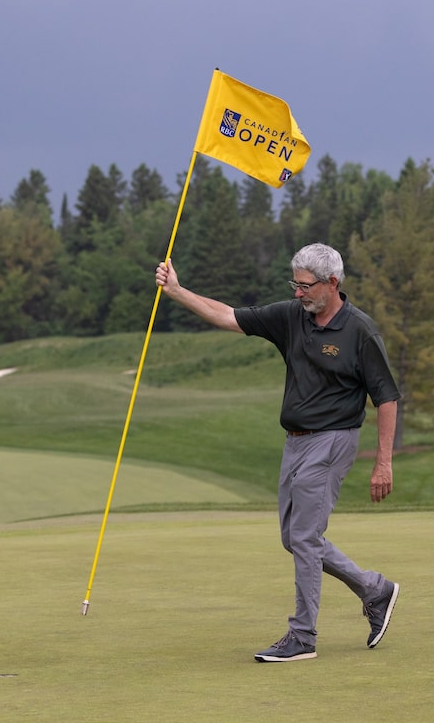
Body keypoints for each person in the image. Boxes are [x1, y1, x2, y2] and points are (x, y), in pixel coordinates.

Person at [154, 242, 401, 663]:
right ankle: (375, 590)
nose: (298, 293)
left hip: (334, 440)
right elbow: (229, 315)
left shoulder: (360, 331)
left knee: (304, 537)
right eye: (295, 284)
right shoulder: (292, 316)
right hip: (296, 442)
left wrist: (383, 462)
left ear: (333, 283)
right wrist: (178, 291)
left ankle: (303, 635)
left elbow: (387, 398)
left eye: (306, 286)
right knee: (294, 538)